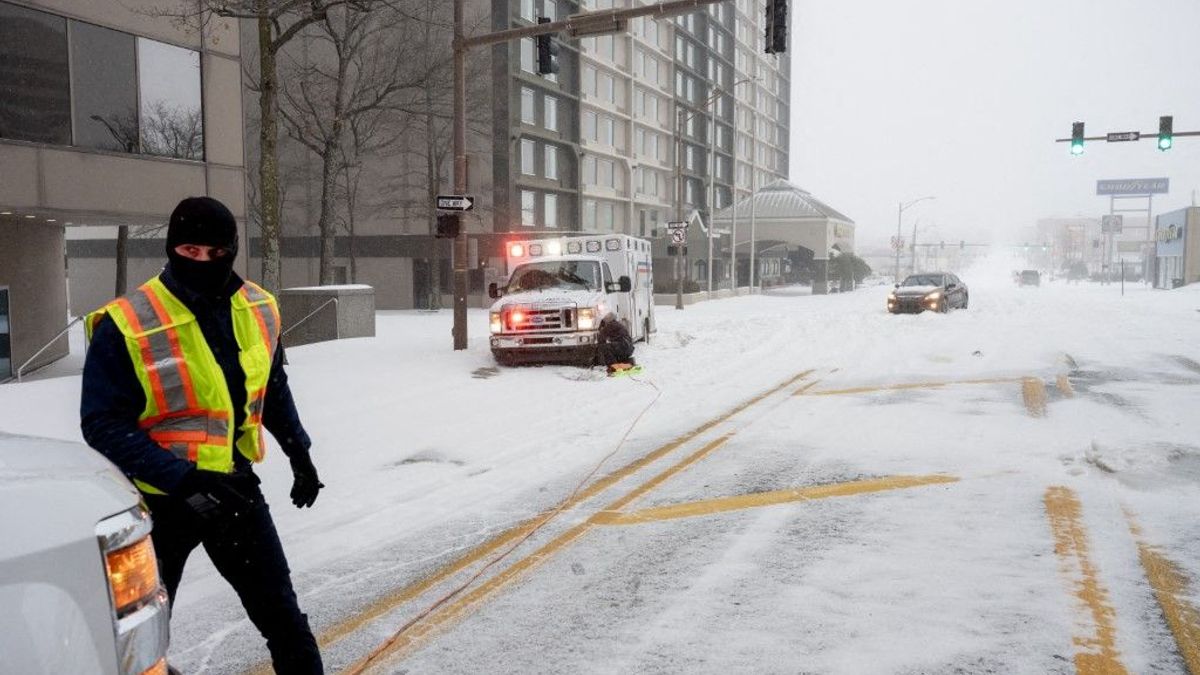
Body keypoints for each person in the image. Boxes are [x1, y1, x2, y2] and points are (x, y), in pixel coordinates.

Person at [81, 197, 324, 674]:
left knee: (284, 621)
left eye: (216, 254)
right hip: (161, 504)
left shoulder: (258, 306)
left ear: (232, 251)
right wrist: (183, 480)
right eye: (189, 250)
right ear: (172, 247)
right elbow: (102, 423)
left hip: (234, 493)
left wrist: (300, 454)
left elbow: (272, 390)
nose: (202, 263)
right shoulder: (127, 322)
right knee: (135, 641)